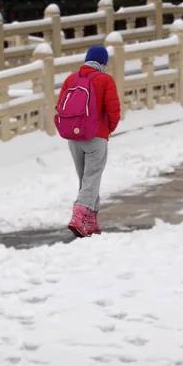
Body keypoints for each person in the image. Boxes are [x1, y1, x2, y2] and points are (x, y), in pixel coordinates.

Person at [56, 45, 121, 237]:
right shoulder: (105, 80)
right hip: (95, 137)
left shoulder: (71, 79)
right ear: (103, 62)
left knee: (86, 180)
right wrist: (108, 129)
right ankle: (79, 216)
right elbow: (113, 110)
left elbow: (60, 106)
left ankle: (90, 221)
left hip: (73, 138)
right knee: (92, 178)